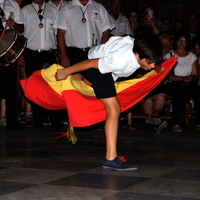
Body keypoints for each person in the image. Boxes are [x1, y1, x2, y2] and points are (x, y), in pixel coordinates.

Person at [55, 32, 164, 171]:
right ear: (137, 55)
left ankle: (72, 81)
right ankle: (111, 158)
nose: (152, 66)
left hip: (104, 67)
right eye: (149, 63)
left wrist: (160, 66)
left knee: (86, 86)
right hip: (95, 65)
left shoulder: (143, 48)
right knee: (114, 109)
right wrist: (66, 71)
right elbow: (90, 63)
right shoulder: (120, 59)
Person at [21, 0, 62, 129]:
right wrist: (20, 55)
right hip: (31, 53)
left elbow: (57, 33)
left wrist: (60, 52)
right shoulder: (25, 10)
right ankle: (38, 118)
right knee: (35, 87)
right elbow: (20, 34)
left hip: (49, 54)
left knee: (52, 85)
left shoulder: (52, 10)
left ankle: (54, 119)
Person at [55, 0, 113, 68]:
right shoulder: (67, 8)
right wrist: (64, 56)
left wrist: (101, 50)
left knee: (92, 77)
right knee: (75, 78)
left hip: (94, 52)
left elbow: (106, 31)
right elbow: (60, 34)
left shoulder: (99, 7)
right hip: (74, 53)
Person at [165, 31, 200, 132]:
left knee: (198, 93)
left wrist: (190, 78)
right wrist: (182, 78)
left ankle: (199, 123)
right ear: (175, 42)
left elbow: (195, 74)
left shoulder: (192, 56)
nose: (181, 42)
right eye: (179, 40)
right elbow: (168, 76)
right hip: (175, 83)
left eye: (184, 40)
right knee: (177, 93)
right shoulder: (170, 55)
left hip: (188, 83)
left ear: (187, 43)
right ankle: (176, 123)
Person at [0, 0, 25, 130]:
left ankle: (12, 121)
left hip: (7, 48)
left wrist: (14, 24)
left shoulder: (13, 4)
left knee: (11, 87)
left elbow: (22, 28)